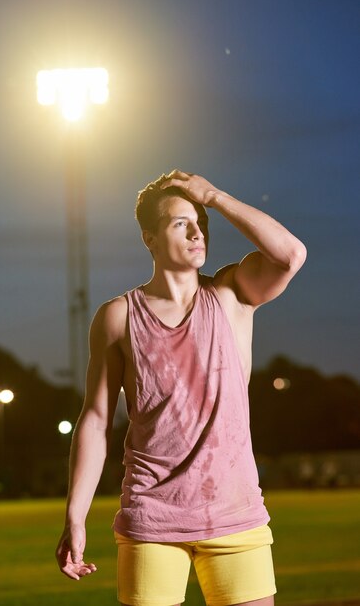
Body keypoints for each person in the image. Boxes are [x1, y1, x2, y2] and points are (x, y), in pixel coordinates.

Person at [56, 170, 307, 606]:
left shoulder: (231, 294)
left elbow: (290, 255)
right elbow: (95, 422)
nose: (197, 232)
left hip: (235, 514)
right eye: (180, 223)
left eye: (201, 223)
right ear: (149, 239)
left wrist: (213, 196)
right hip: (152, 518)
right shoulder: (117, 318)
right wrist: (75, 517)